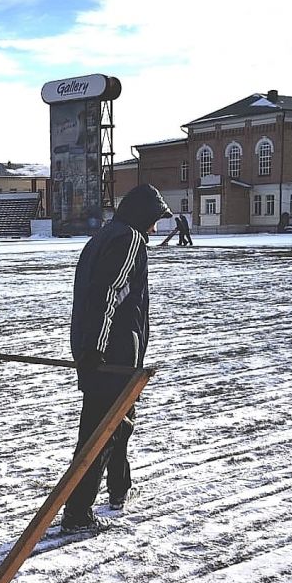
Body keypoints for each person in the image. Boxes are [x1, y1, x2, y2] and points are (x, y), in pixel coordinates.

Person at [62, 183, 173, 535]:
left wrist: (90, 347)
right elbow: (107, 294)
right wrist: (97, 347)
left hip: (101, 353)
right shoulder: (129, 240)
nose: (156, 229)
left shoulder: (105, 236)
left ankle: (118, 489)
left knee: (117, 425)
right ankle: (78, 512)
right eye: (155, 220)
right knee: (102, 432)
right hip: (111, 357)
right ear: (143, 217)